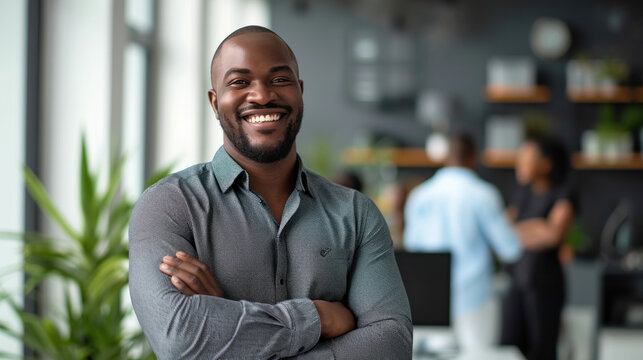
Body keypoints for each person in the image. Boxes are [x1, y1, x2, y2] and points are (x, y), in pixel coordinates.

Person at [128, 26, 412, 359]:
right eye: (239, 82)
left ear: (300, 91)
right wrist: (318, 318)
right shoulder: (170, 205)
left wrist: (229, 323)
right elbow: (181, 340)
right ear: (215, 102)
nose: (262, 95)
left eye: (279, 80)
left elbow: (391, 345)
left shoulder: (356, 214)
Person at [403, 134, 522, 349]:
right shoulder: (483, 194)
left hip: (432, 298)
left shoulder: (420, 195)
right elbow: (510, 249)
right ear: (473, 158)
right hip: (474, 295)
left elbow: (412, 249)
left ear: (447, 156)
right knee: (477, 355)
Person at [500, 135, 576, 360]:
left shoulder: (564, 192)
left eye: (526, 158)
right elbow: (502, 230)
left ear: (546, 163)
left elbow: (553, 234)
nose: (519, 163)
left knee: (541, 351)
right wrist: (538, 227)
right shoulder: (522, 193)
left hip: (545, 285)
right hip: (517, 281)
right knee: (508, 346)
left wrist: (517, 232)